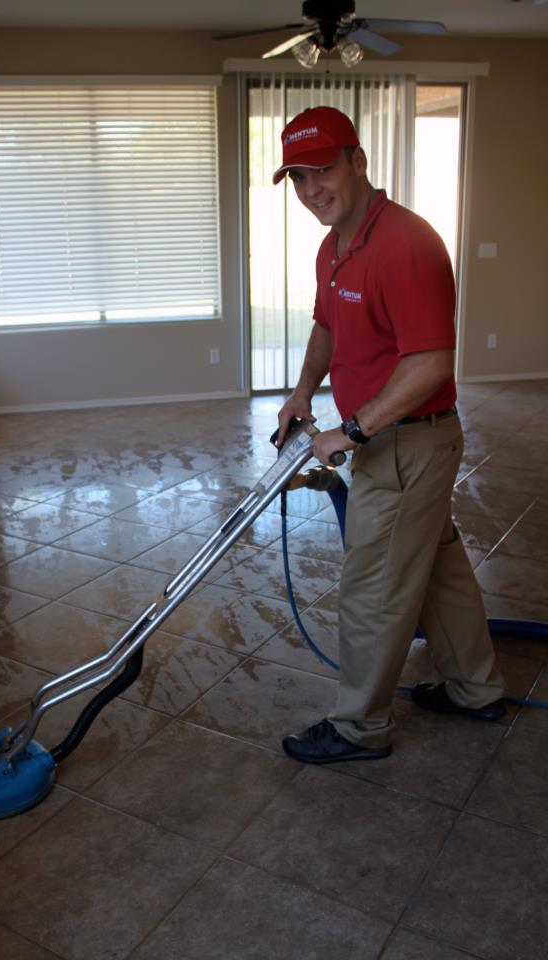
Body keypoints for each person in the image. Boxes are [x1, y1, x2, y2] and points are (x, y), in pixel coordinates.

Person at [274, 106, 505, 764]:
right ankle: (475, 687)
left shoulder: (405, 242)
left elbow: (431, 361)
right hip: (392, 444)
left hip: (407, 445)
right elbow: (327, 326)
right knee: (441, 572)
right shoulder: (334, 246)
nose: (312, 188)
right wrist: (301, 392)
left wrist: (353, 429)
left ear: (358, 161)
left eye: (323, 169)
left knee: (372, 589)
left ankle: (359, 728)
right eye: (297, 177)